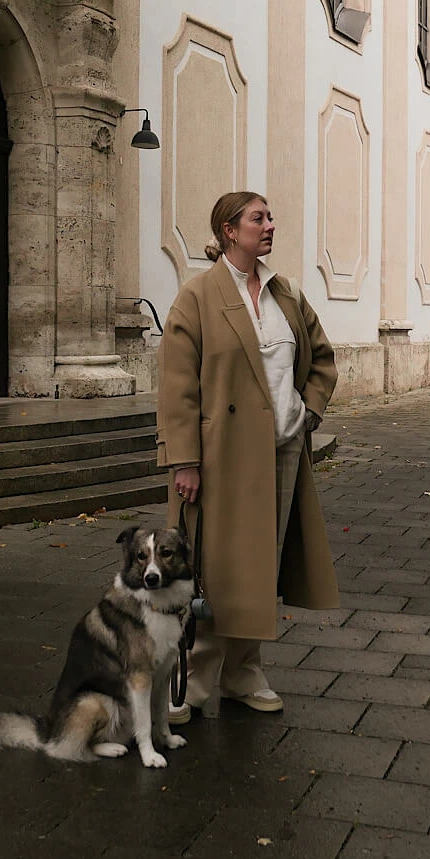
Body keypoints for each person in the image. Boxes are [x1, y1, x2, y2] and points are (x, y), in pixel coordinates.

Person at [156, 191, 339, 718]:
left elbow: (322, 359)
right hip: (219, 460)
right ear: (229, 230)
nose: (270, 225)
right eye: (259, 218)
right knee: (213, 571)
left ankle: (244, 674)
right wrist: (183, 461)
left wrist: (307, 413)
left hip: (280, 453)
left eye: (271, 216)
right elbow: (176, 386)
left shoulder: (286, 293)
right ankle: (191, 680)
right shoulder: (197, 297)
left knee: (261, 567)